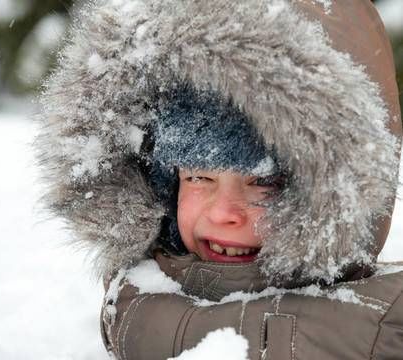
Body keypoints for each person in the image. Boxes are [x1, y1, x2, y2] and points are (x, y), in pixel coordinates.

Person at [36, 0, 403, 359]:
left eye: (264, 183)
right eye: (198, 176)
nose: (225, 213)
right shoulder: (137, 289)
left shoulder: (387, 324)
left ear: (330, 195)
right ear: (163, 186)